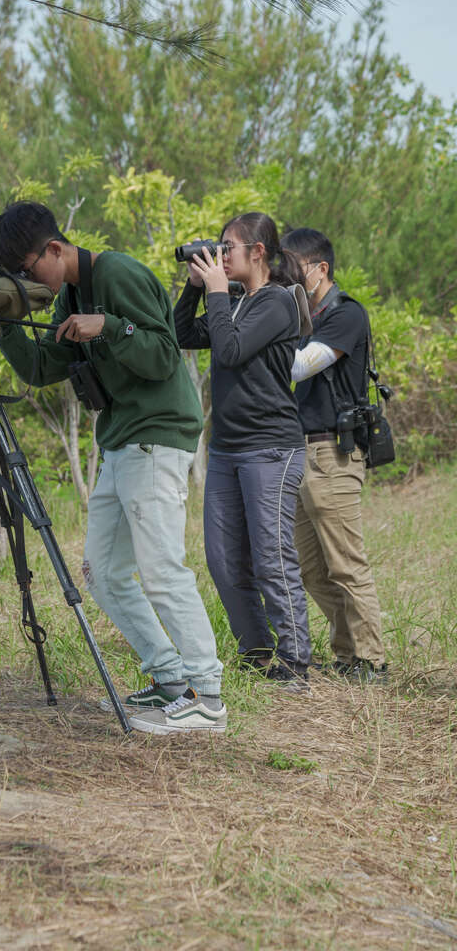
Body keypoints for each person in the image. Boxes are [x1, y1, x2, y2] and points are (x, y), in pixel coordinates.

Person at [0, 201, 226, 734]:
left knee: (162, 569)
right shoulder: (70, 293)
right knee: (102, 573)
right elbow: (40, 366)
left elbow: (165, 357)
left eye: (28, 271)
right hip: (119, 441)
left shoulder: (117, 273)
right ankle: (170, 680)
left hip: (157, 434)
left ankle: (206, 696)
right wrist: (3, 326)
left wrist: (108, 326)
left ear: (54, 249)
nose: (30, 281)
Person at [174, 212, 312, 692]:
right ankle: (256, 655)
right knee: (224, 561)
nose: (221, 255)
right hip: (229, 450)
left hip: (271, 449)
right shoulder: (232, 301)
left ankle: (296, 663)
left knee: (271, 556)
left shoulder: (277, 304)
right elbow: (182, 335)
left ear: (258, 252)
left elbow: (229, 352)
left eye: (227, 247)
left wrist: (215, 292)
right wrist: (197, 287)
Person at [281, 227, 387, 683]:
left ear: (320, 268)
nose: (286, 277)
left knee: (346, 564)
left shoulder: (346, 315)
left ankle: (373, 661)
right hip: (303, 451)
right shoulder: (302, 317)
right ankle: (347, 655)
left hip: (333, 454)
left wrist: (263, 334)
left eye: (293, 268)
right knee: (310, 568)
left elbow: (300, 366)